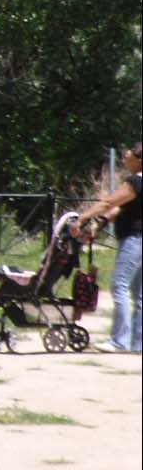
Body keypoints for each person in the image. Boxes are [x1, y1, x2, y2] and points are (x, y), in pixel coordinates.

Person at [72, 142, 142, 353]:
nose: (124, 157)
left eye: (128, 154)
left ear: (139, 160)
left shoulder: (135, 182)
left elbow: (108, 203)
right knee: (139, 292)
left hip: (134, 239)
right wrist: (99, 224)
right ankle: (138, 344)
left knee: (119, 285)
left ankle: (119, 341)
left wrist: (83, 217)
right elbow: (120, 210)